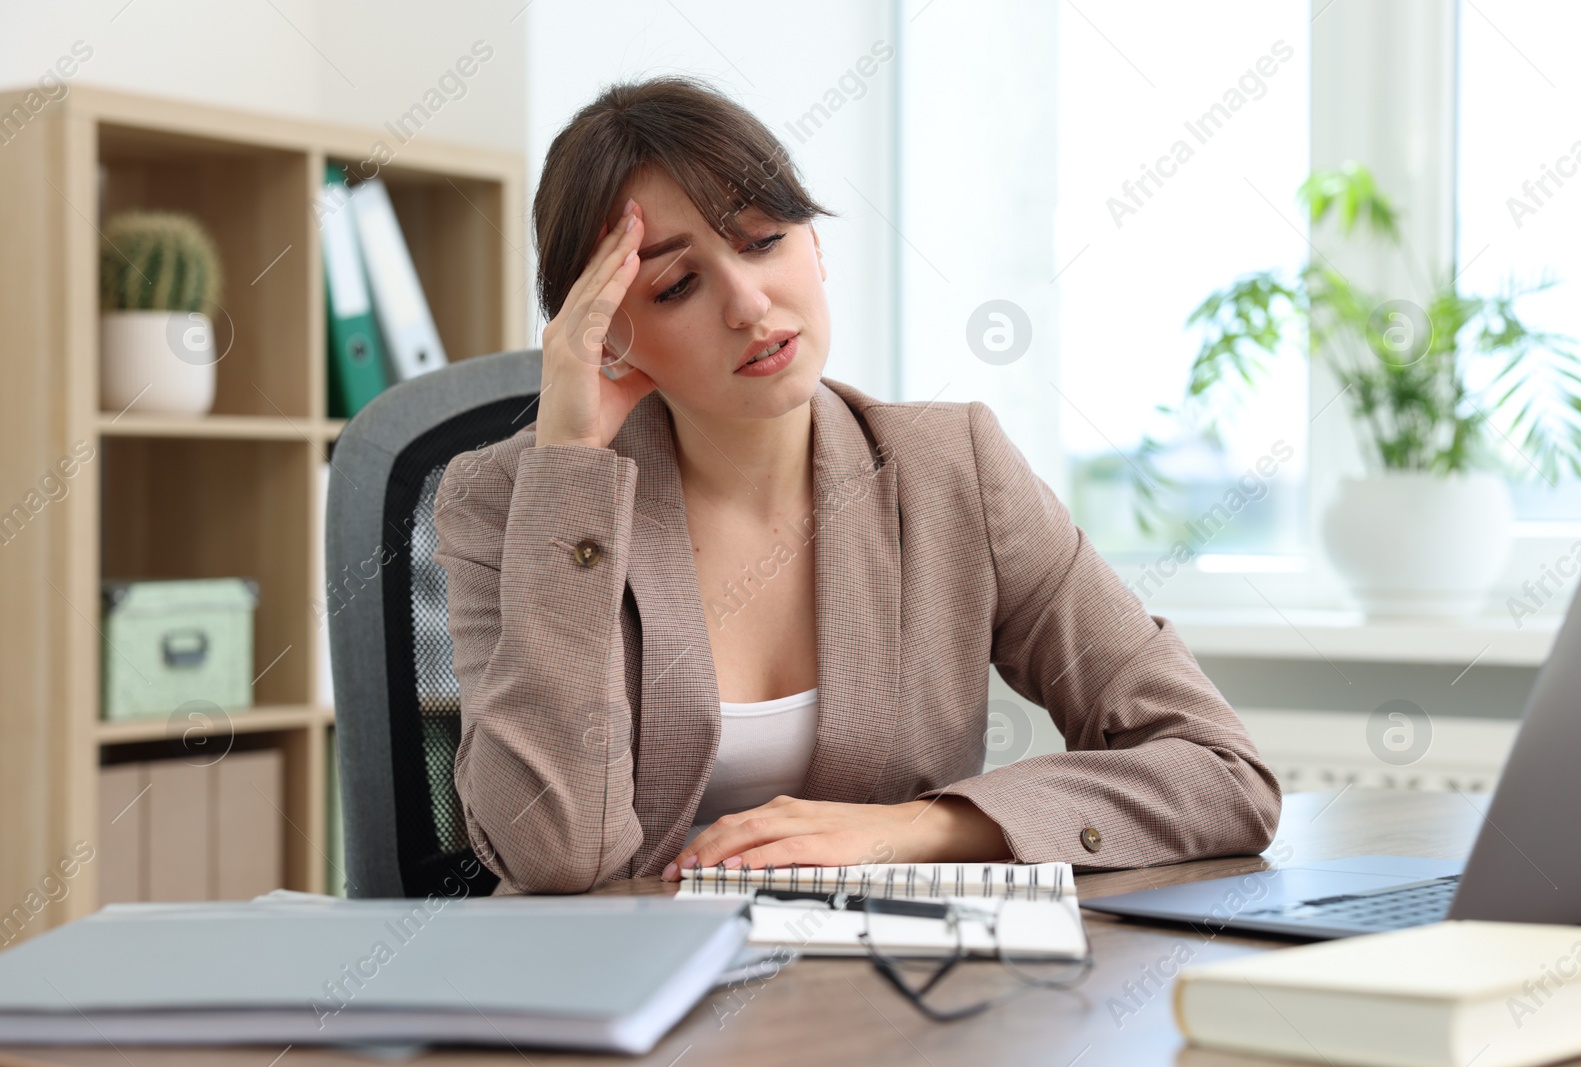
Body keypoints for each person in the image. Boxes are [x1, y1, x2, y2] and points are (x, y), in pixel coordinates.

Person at [432, 74, 1281, 896]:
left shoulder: (956, 470)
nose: (750, 303)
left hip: (886, 1002)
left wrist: (916, 828)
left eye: (765, 239)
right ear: (608, 336)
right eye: (677, 284)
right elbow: (553, 854)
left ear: (817, 244)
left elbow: (1220, 771)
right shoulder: (508, 504)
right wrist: (573, 468)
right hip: (621, 1012)